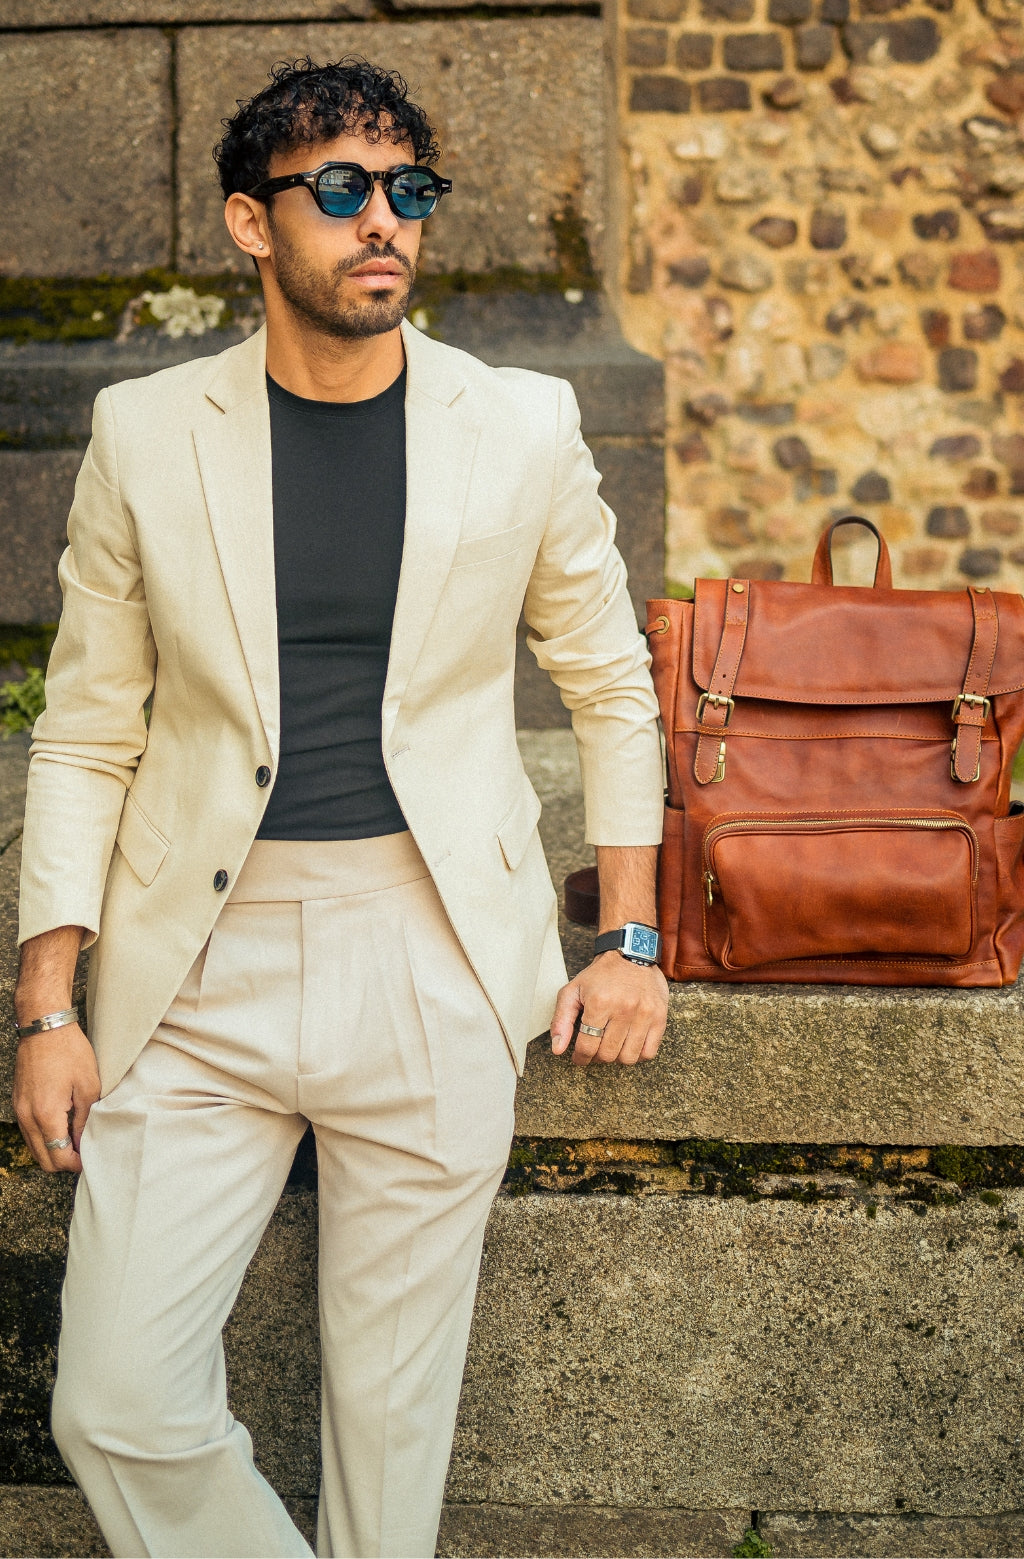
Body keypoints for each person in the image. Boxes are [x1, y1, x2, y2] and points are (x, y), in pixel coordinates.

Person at [12, 56, 667, 1559]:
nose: (386, 221)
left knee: (390, 1443)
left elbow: (611, 684)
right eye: (344, 189)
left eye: (410, 190)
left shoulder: (522, 422)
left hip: (433, 952)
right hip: (196, 973)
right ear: (253, 224)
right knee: (114, 1405)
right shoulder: (144, 431)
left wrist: (630, 939)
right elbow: (88, 728)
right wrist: (48, 1002)